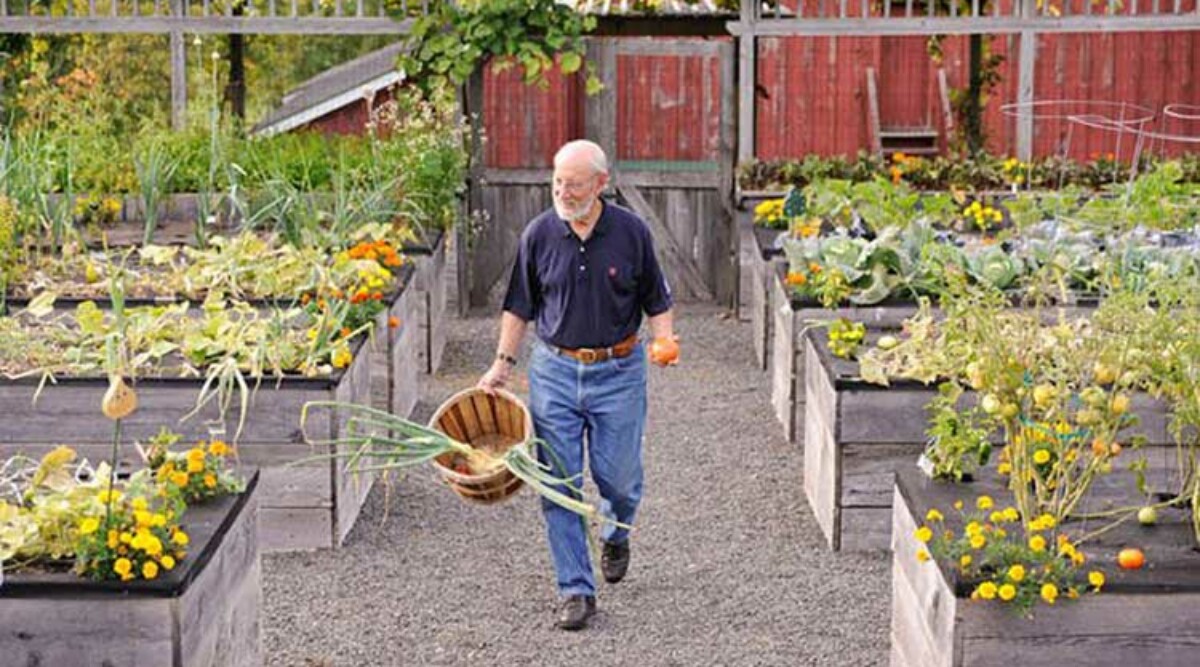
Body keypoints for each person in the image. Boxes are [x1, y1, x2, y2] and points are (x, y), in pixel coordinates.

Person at [477, 139, 678, 631]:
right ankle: (575, 589)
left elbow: (657, 299)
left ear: (601, 184)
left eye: (574, 184)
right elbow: (519, 305)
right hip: (555, 372)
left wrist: (665, 339)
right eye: (558, 182)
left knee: (620, 479)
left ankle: (615, 529)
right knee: (558, 484)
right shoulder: (540, 234)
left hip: (619, 370)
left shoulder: (631, 232)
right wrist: (502, 363)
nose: (564, 192)